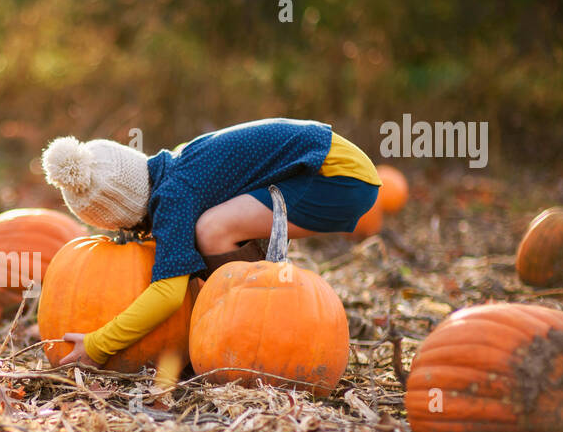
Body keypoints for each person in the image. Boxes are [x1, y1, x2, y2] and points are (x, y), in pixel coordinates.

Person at [41, 118, 380, 367]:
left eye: (134, 230)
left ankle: (247, 330)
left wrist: (98, 345)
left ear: (129, 211)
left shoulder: (172, 196)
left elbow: (167, 294)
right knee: (209, 229)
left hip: (337, 178)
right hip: (332, 162)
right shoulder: (176, 166)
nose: (141, 236)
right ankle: (239, 321)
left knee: (212, 229)